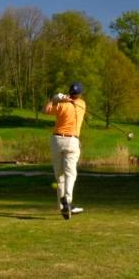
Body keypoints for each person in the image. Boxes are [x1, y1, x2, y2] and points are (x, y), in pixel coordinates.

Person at [43, 82, 87, 219]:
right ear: (79, 94)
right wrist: (63, 98)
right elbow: (74, 101)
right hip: (72, 141)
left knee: (60, 175)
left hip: (57, 140)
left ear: (70, 93)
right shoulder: (82, 104)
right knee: (70, 173)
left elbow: (46, 109)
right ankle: (67, 201)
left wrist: (55, 99)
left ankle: (63, 207)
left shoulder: (61, 105)